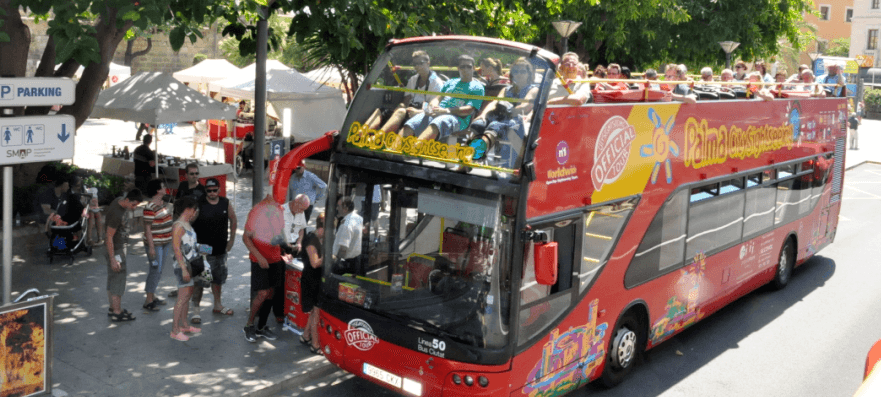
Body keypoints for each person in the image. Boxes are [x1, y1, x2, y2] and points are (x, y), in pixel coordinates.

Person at [471, 57, 539, 168]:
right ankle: (470, 156)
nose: (519, 74)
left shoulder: (533, 89)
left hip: (520, 121)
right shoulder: (506, 89)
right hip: (503, 119)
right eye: (516, 71)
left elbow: (525, 106)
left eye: (523, 71)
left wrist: (508, 110)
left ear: (528, 74)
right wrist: (483, 115)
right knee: (478, 124)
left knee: (495, 125)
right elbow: (494, 103)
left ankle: (474, 157)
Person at [400, 54, 484, 142]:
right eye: (462, 66)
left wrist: (446, 111)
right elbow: (437, 98)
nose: (466, 69)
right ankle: (393, 150)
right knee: (412, 123)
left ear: (473, 68)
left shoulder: (477, 87)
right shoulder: (450, 82)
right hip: (439, 112)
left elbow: (469, 110)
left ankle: (414, 149)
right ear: (458, 68)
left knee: (439, 122)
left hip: (458, 118)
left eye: (469, 66)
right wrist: (432, 107)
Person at [242, 191, 289, 343]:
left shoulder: (279, 209)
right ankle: (249, 325)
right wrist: (259, 257)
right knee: (262, 293)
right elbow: (246, 237)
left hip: (275, 259)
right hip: (260, 260)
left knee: (270, 293)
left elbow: (279, 232)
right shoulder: (256, 211)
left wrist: (285, 249)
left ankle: (261, 327)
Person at [190, 178, 237, 323]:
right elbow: (188, 223)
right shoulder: (199, 204)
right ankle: (196, 311)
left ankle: (217, 305)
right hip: (204, 251)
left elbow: (233, 220)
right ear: (205, 191)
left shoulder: (225, 202)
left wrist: (231, 240)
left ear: (219, 189)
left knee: (218, 279)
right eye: (209, 191)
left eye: (214, 190)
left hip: (220, 249)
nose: (212, 193)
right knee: (200, 281)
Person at [363, 50, 444, 133]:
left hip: (424, 115)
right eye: (415, 64)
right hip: (410, 110)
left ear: (428, 63)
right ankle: (362, 134)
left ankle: (378, 138)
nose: (417, 66)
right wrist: (401, 105)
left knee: (401, 111)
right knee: (380, 110)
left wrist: (418, 112)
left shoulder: (437, 83)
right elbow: (406, 101)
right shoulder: (413, 79)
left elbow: (435, 109)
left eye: (421, 63)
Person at [104, 189, 144, 322]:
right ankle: (116, 312)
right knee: (118, 278)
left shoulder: (119, 200)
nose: (134, 208)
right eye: (133, 205)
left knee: (113, 277)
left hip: (118, 247)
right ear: (127, 200)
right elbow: (109, 236)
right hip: (116, 248)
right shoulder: (117, 213)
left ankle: (113, 308)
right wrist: (113, 258)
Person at [170, 196, 202, 341]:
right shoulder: (178, 226)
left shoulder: (187, 224)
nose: (195, 212)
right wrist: (183, 269)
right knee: (182, 298)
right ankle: (175, 330)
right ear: (188, 209)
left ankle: (184, 325)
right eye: (194, 209)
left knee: (187, 296)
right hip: (183, 266)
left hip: (191, 265)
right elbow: (177, 249)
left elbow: (191, 245)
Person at [142, 179, 172, 312]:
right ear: (158, 190)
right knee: (155, 270)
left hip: (165, 242)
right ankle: (148, 300)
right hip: (156, 243)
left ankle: (152, 295)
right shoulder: (149, 207)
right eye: (163, 186)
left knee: (158, 270)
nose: (165, 187)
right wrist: (152, 247)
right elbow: (147, 229)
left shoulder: (163, 204)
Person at [298, 212, 325, 355]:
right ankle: (315, 345)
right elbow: (315, 263)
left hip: (314, 279)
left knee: (314, 311)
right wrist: (329, 257)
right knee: (316, 312)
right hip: (311, 280)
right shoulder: (311, 240)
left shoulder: (316, 239)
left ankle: (305, 336)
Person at [332, 197, 363, 273]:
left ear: (345, 209)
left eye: (338, 206)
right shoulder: (359, 218)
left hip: (344, 265)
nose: (337, 208)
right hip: (355, 261)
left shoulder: (346, 226)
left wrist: (335, 261)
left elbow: (343, 249)